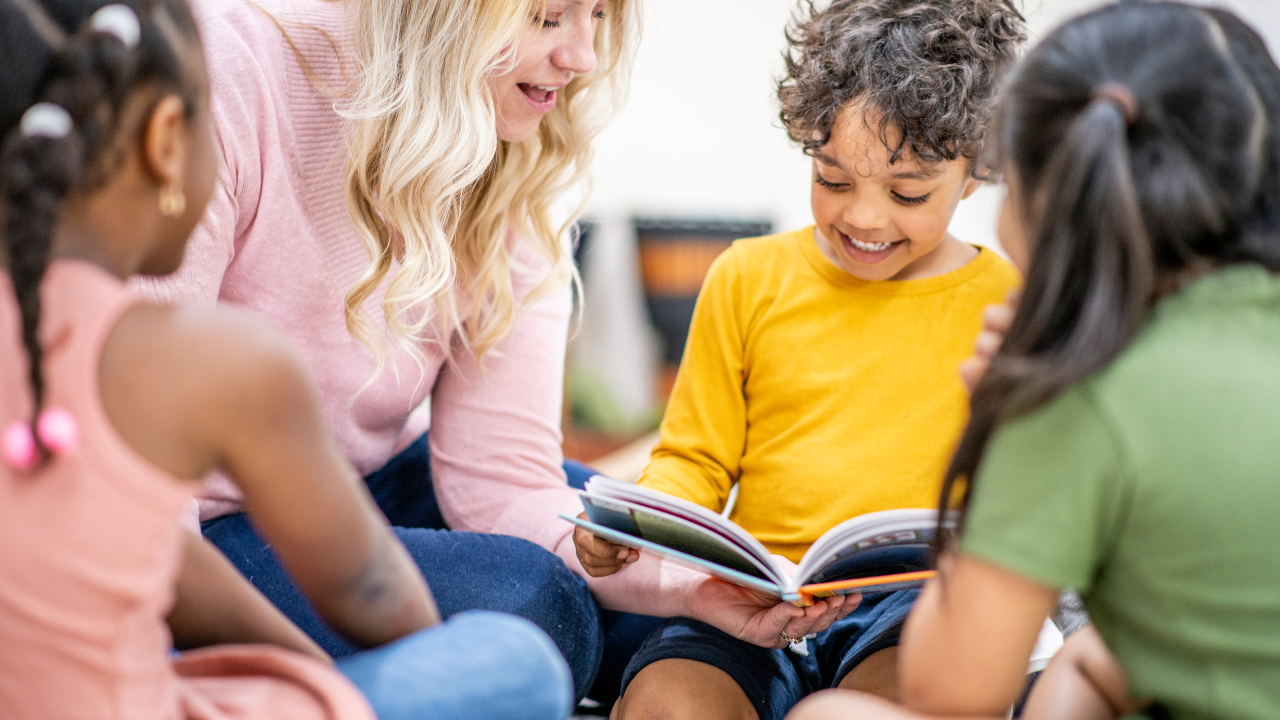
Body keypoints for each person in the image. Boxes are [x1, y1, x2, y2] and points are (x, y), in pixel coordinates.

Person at [0, 1, 573, 719]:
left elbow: (159, 558)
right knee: (517, 659)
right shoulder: (212, 361)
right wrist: (326, 671)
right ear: (166, 142)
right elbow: (370, 592)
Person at [128, 0, 645, 700]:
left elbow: (502, 480)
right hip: (207, 520)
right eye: (549, 18)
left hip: (362, 478)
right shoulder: (224, 69)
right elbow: (140, 472)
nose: (582, 56)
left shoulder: (521, 139)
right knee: (535, 603)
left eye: (599, 17)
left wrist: (683, 584)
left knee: (649, 543)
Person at [786, 3, 1280, 719]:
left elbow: (949, 691)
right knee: (1094, 658)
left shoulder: (1073, 386)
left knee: (828, 715)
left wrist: (997, 423)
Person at [572, 1, 1027, 717]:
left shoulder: (1007, 299)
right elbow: (694, 455)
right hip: (751, 595)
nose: (865, 218)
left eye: (908, 193)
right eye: (833, 179)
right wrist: (640, 528)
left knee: (905, 702)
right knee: (666, 702)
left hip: (908, 602)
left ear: (975, 172)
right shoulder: (746, 276)